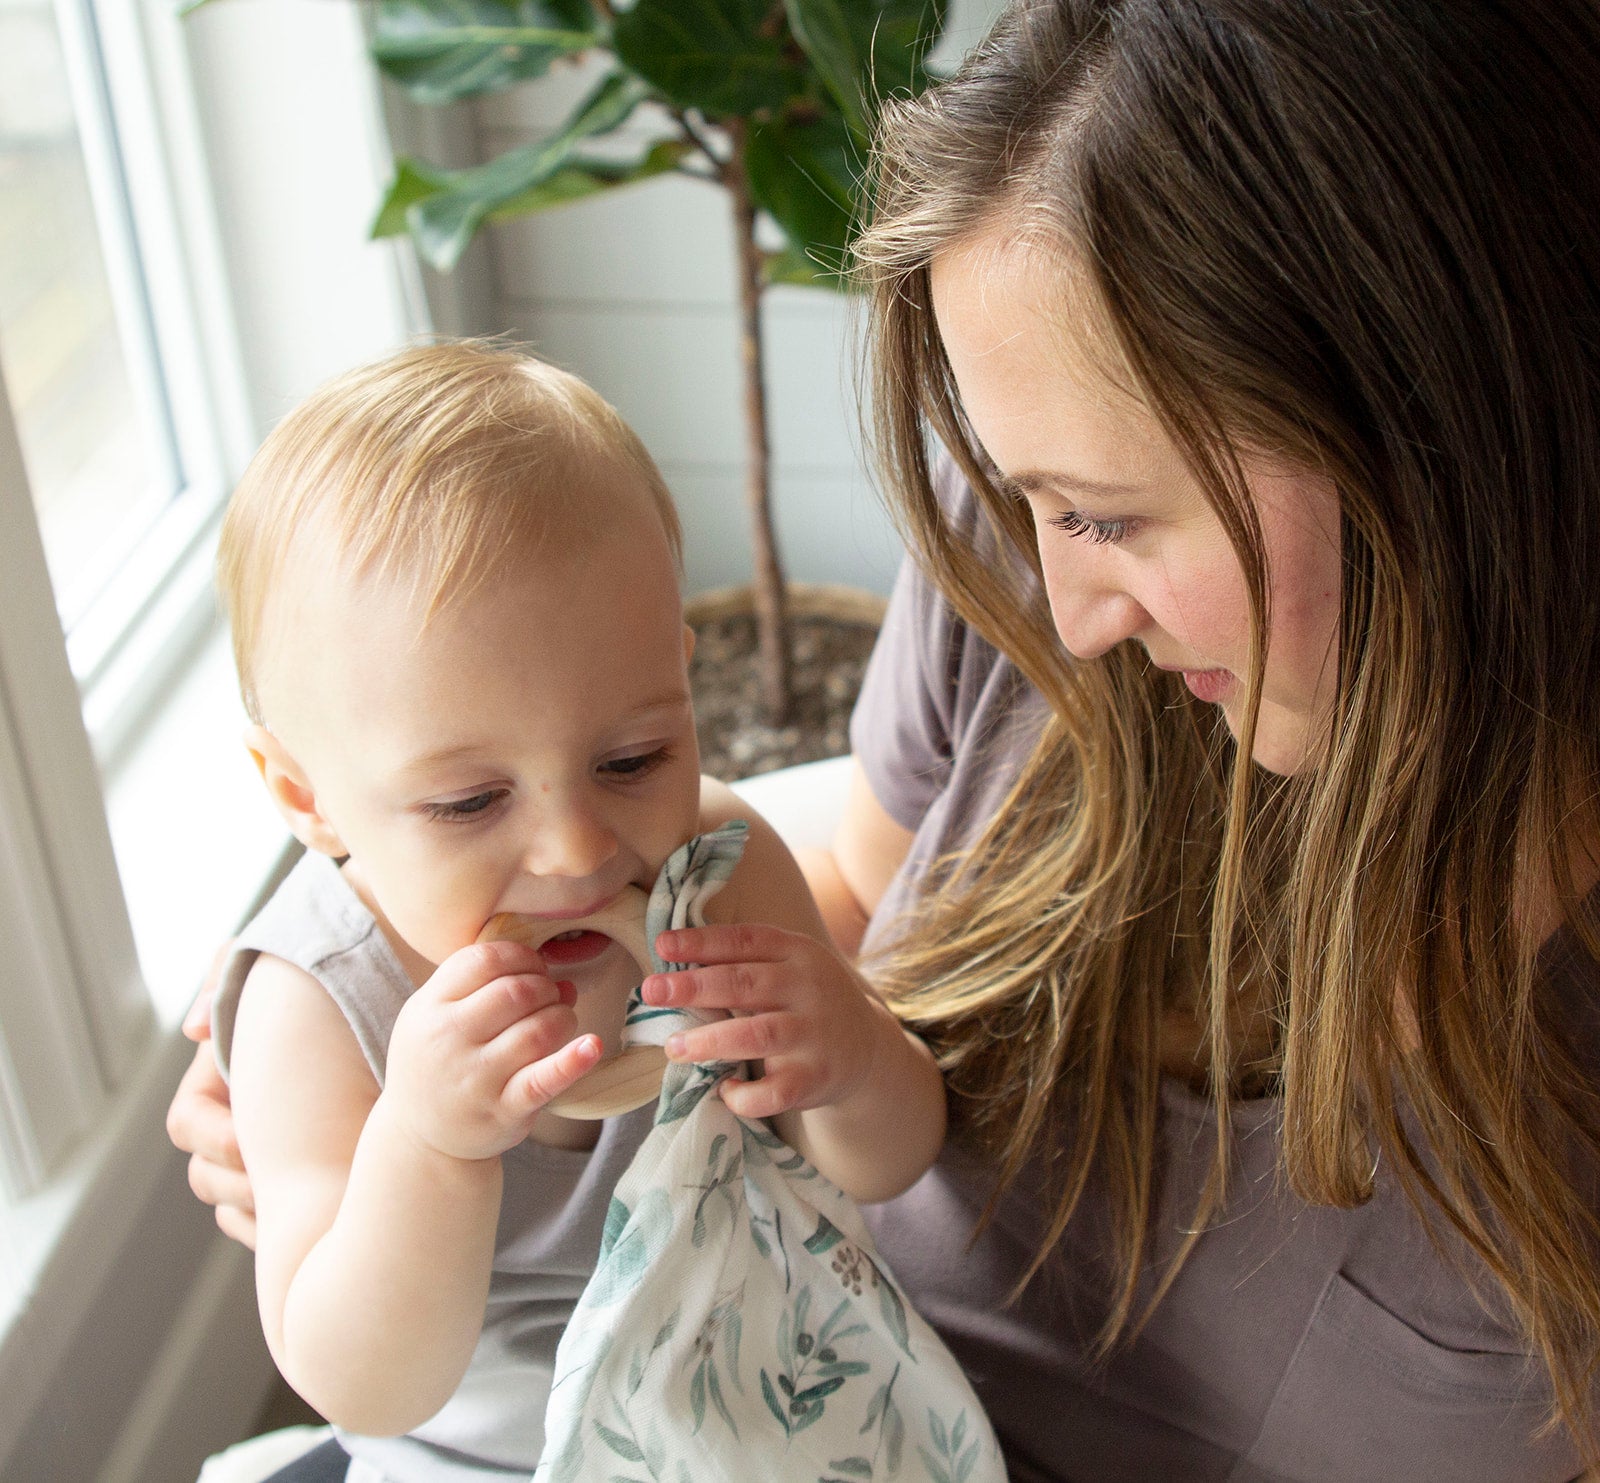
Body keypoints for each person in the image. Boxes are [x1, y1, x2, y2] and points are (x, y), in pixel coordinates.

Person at [171, 1, 1600, 1478]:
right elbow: (853, 903)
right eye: (1026, 493)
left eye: (1113, 514)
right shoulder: (1012, 573)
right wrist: (366, 1143)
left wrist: (833, 1045)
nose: (1059, 611)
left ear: (1446, 420)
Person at [199, 341, 946, 1481]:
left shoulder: (715, 869)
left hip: (767, 1410)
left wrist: (847, 1057)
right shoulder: (316, 1001)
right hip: (472, 1462)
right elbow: (360, 1379)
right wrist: (427, 1143)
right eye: (468, 800)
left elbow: (887, 1168)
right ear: (307, 796)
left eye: (633, 756)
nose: (577, 848)